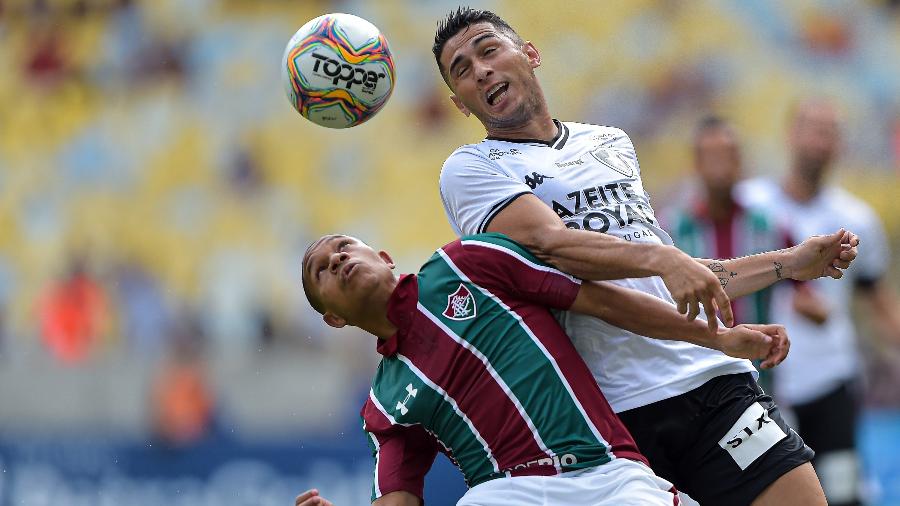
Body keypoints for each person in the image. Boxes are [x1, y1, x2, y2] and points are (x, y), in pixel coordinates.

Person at [431, 8, 858, 505]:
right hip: (614, 421)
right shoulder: (469, 169)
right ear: (460, 104)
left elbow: (674, 279)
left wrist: (789, 264)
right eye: (461, 69)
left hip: (714, 382)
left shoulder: (610, 142)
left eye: (488, 49)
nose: (480, 69)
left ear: (530, 54)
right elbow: (554, 247)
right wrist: (663, 262)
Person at [295, 232, 796, 506]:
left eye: (344, 247)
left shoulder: (468, 263)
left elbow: (601, 302)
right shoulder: (383, 406)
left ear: (383, 257)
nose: (337, 260)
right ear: (334, 318)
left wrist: (719, 338)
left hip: (608, 474)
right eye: (322, 269)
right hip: (508, 493)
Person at [738, 98, 900, 506]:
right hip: (760, 382)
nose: (820, 141)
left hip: (832, 380)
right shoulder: (750, 206)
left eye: (831, 132)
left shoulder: (856, 217)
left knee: (843, 493)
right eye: (813, 129)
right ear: (790, 134)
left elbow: (875, 298)